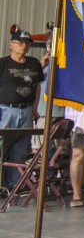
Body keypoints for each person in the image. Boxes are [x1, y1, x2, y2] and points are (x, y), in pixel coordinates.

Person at [1, 28, 44, 189]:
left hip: (26, 110)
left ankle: (14, 186)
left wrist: (34, 108)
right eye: (20, 42)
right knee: (1, 147)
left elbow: (37, 87)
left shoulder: (34, 64)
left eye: (27, 43)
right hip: (5, 110)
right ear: (11, 45)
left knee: (20, 149)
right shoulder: (3, 63)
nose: (24, 46)